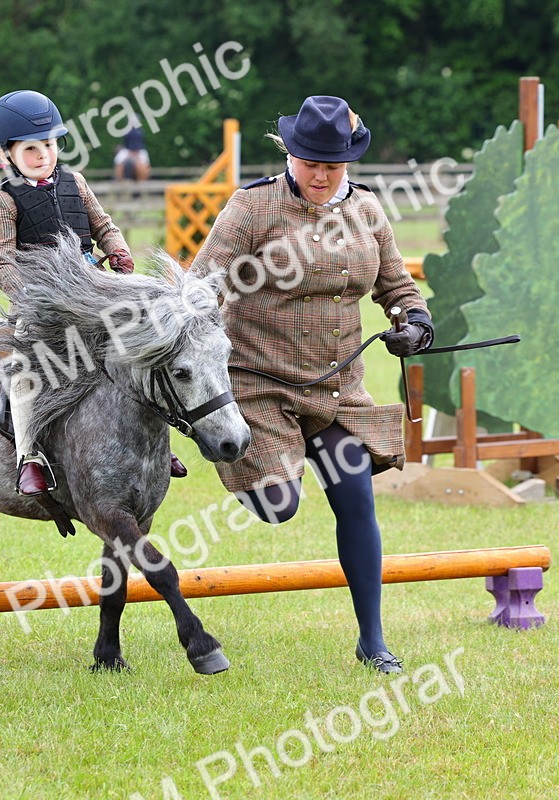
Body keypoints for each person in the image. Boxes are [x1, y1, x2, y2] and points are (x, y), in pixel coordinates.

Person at [189, 96, 435, 674]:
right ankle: (258, 456)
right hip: (258, 385)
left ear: (348, 160)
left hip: (336, 388)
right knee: (280, 506)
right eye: (310, 162)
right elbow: (201, 288)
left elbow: (398, 288)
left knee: (355, 496)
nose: (322, 175)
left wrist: (415, 324)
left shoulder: (369, 211)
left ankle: (372, 641)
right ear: (290, 154)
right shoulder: (250, 208)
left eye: (333, 164)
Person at [0, 89, 185, 496]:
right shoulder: (4, 201)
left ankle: (157, 442)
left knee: (145, 343)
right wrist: (35, 293)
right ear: (5, 155)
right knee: (26, 368)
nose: (44, 155)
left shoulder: (76, 182)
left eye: (49, 145)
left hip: (95, 289)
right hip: (43, 303)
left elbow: (104, 226)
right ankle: (30, 457)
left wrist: (118, 251)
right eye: (31, 149)